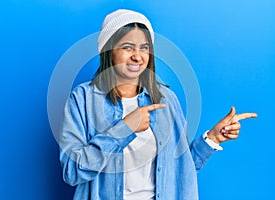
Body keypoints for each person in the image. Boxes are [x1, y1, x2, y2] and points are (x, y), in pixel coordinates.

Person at [59, 9, 257, 200]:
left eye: (144, 47)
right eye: (127, 47)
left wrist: (212, 138)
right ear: (108, 51)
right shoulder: (82, 99)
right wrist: (125, 128)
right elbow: (72, 171)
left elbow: (180, 171)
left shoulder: (166, 99)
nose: (137, 56)